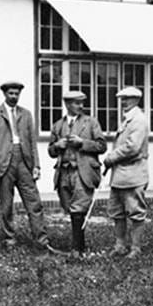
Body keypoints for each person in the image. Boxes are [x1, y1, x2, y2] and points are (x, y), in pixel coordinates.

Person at [0, 81, 56, 252]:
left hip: (24, 162)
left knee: (34, 202)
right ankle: (9, 238)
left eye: (17, 94)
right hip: (4, 163)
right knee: (6, 205)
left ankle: (41, 240)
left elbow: (32, 142)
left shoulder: (26, 114)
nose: (14, 97)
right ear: (4, 94)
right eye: (11, 93)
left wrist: (36, 166)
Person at [48, 90, 107, 257]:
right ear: (67, 104)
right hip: (64, 172)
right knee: (69, 207)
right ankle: (78, 246)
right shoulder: (58, 125)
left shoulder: (91, 122)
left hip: (83, 171)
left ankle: (77, 249)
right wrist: (57, 146)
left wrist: (82, 143)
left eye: (82, 102)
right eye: (76, 103)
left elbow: (102, 146)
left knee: (79, 209)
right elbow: (51, 151)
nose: (80, 106)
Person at [103, 86, 150, 258]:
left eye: (127, 98)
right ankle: (120, 246)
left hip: (133, 173)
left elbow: (132, 147)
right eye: (122, 99)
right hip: (120, 174)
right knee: (117, 211)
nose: (124, 102)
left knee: (135, 212)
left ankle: (135, 248)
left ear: (136, 100)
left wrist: (111, 157)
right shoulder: (127, 119)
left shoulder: (138, 120)